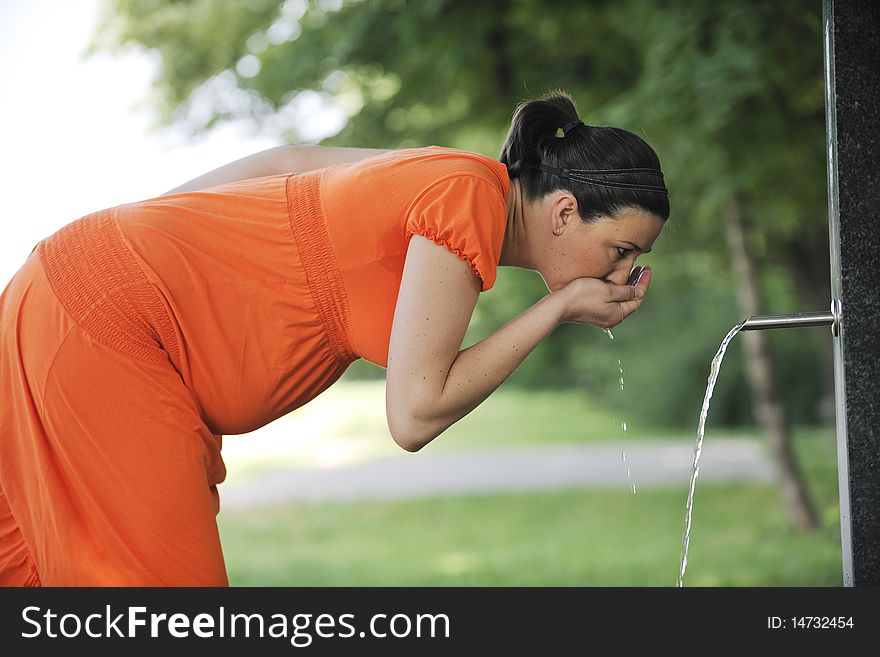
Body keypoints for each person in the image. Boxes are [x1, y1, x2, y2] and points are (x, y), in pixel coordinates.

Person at [0, 90, 668, 586]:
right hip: (106, 326)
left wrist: (113, 240)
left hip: (69, 293)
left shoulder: (450, 175)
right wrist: (557, 310)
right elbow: (414, 413)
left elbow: (287, 160)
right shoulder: (468, 199)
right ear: (563, 211)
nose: (620, 273)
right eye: (619, 249)